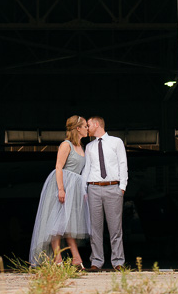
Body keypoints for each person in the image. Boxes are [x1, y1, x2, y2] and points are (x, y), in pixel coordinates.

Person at [28, 116, 91, 267]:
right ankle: (58, 259)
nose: (87, 129)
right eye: (85, 126)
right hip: (62, 184)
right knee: (57, 223)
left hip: (75, 186)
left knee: (69, 224)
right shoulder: (66, 144)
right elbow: (58, 167)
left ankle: (76, 258)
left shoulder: (82, 146)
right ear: (78, 128)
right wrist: (61, 189)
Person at [81, 116, 127, 272]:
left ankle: (118, 261)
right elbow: (87, 168)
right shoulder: (89, 147)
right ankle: (96, 261)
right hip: (93, 188)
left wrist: (122, 187)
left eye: (88, 125)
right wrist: (83, 189)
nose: (87, 128)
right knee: (95, 228)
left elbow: (122, 163)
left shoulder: (116, 142)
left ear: (96, 124)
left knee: (115, 228)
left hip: (113, 187)